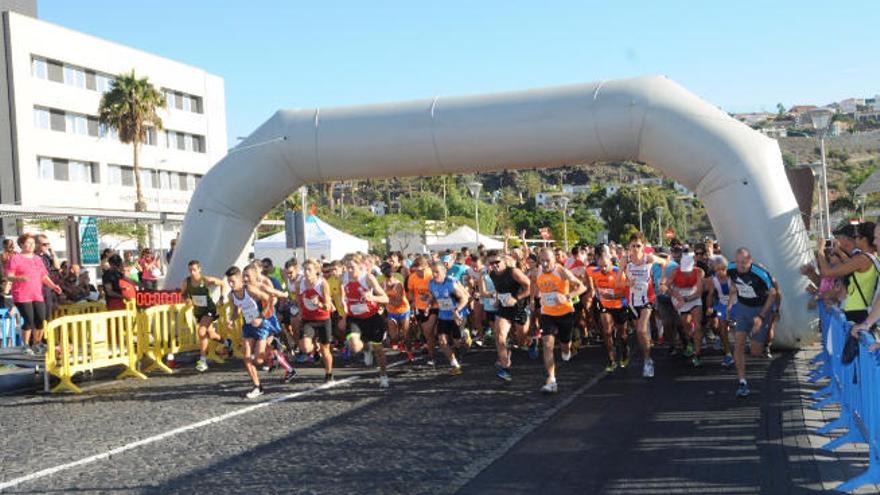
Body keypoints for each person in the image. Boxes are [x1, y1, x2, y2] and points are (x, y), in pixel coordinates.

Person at [726, 247, 777, 398]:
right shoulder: (731, 268)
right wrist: (730, 302)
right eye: (738, 262)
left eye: (744, 262)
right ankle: (742, 381)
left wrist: (761, 317)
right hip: (743, 308)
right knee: (738, 344)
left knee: (755, 351)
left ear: (750, 260)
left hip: (760, 309)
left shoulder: (759, 273)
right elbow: (735, 285)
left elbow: (773, 293)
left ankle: (765, 337)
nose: (741, 265)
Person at [534, 247, 586, 393]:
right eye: (542, 260)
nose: (545, 264)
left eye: (548, 260)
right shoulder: (537, 271)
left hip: (565, 312)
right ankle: (551, 380)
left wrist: (567, 296)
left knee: (564, 346)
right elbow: (533, 284)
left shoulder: (561, 271)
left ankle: (567, 349)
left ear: (554, 259)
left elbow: (582, 287)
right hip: (547, 313)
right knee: (547, 344)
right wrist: (534, 299)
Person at [4, 233, 62, 354]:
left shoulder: (37, 258)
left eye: (33, 243)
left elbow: (44, 276)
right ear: (21, 244)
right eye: (28, 243)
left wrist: (53, 286)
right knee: (29, 320)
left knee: (41, 320)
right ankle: (25, 345)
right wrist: (20, 279)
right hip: (22, 295)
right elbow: (9, 277)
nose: (31, 245)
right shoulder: (15, 258)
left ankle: (37, 343)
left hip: (37, 294)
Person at [226, 264, 276, 399]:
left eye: (233, 281)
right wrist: (231, 320)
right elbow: (236, 311)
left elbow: (269, 299)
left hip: (261, 326)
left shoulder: (250, 289)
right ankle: (257, 386)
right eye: (228, 282)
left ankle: (272, 353)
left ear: (240, 279)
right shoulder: (231, 295)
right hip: (248, 326)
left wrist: (261, 317)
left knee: (259, 360)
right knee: (246, 357)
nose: (230, 284)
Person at [342, 254, 391, 388]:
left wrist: (372, 297)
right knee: (355, 346)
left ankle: (383, 375)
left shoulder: (368, 278)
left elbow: (385, 299)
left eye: (352, 267)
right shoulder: (344, 277)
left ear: (360, 266)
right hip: (355, 318)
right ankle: (366, 348)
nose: (349, 270)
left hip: (371, 317)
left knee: (379, 350)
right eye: (347, 267)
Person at [815, 222, 878, 324]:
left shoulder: (862, 259)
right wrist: (839, 251)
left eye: (856, 236)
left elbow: (826, 272)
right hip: (863, 310)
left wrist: (820, 250)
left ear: (864, 240)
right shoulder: (872, 256)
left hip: (857, 312)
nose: (854, 239)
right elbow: (849, 264)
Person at [487, 249, 531, 382]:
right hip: (504, 308)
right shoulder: (492, 274)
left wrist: (516, 298)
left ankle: (531, 342)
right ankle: (505, 368)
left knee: (521, 340)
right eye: (491, 263)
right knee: (499, 337)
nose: (494, 265)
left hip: (519, 307)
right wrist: (496, 299)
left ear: (504, 261)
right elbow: (499, 288)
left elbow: (530, 287)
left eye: (497, 262)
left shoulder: (513, 272)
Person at [180, 260, 232, 372]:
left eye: (194, 270)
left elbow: (222, 283)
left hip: (210, 310)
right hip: (198, 312)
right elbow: (183, 294)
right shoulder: (186, 282)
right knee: (211, 334)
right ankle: (227, 342)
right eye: (190, 270)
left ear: (199, 269)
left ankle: (202, 361)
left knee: (201, 332)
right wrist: (187, 299)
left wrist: (222, 298)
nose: (192, 272)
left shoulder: (206, 280)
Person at [587, 244, 629, 372]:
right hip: (605, 306)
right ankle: (611, 359)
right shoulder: (594, 272)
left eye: (605, 266)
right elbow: (590, 281)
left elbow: (626, 292)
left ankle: (625, 351)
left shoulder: (618, 272)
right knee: (606, 331)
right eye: (600, 266)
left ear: (610, 261)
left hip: (620, 305)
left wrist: (612, 295)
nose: (603, 269)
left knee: (622, 334)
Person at [427, 260, 469, 376]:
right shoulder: (431, 283)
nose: (434, 275)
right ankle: (455, 365)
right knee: (442, 341)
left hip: (458, 314)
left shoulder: (451, 283)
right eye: (433, 272)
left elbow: (464, 298)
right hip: (443, 315)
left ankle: (465, 335)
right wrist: (428, 305)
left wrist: (456, 310)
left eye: (437, 272)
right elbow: (433, 297)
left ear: (444, 272)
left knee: (457, 343)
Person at [624, 233, 657, 378]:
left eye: (638, 246)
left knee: (641, 330)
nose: (636, 248)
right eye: (633, 246)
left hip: (647, 299)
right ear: (629, 247)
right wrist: (626, 282)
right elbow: (618, 282)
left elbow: (665, 262)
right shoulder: (625, 261)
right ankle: (646, 352)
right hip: (632, 301)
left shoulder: (648, 259)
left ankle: (648, 361)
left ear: (643, 247)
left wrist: (661, 280)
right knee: (640, 333)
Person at [665, 251, 705, 367]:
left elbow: (698, 293)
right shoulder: (675, 272)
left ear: (694, 265)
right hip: (680, 295)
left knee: (697, 326)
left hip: (693, 296)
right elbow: (667, 286)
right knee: (686, 324)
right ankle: (692, 341)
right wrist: (676, 295)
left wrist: (686, 299)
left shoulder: (699, 272)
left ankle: (697, 353)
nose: (686, 272)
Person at [298, 259, 335, 383]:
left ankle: (329, 374)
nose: (306, 272)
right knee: (305, 347)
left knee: (326, 350)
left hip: (323, 319)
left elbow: (329, 306)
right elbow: (299, 298)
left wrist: (319, 304)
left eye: (309, 270)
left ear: (316, 271)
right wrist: (300, 311)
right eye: (305, 269)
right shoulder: (301, 283)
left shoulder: (322, 284)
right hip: (308, 319)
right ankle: (315, 348)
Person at [408, 256, 438, 365]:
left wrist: (429, 299)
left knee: (429, 330)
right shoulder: (412, 277)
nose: (419, 273)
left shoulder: (431, 275)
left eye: (421, 270)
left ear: (426, 267)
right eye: (416, 271)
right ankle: (431, 352)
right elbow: (411, 291)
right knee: (427, 332)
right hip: (420, 307)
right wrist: (412, 301)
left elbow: (437, 290)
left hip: (435, 306)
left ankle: (432, 355)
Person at [705, 255, 734, 367]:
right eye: (715, 270)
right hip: (722, 304)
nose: (717, 272)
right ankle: (728, 354)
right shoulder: (714, 280)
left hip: (735, 304)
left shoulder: (733, 277)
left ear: (725, 268)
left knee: (741, 330)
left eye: (720, 270)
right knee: (722, 330)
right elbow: (710, 294)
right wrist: (709, 307)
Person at [381, 262, 410, 356]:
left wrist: (385, 301)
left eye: (388, 269)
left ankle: (407, 350)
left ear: (392, 270)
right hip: (391, 311)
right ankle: (398, 344)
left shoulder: (398, 284)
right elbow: (380, 298)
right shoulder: (382, 284)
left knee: (405, 334)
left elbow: (398, 302)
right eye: (385, 270)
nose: (387, 272)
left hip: (403, 310)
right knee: (394, 335)